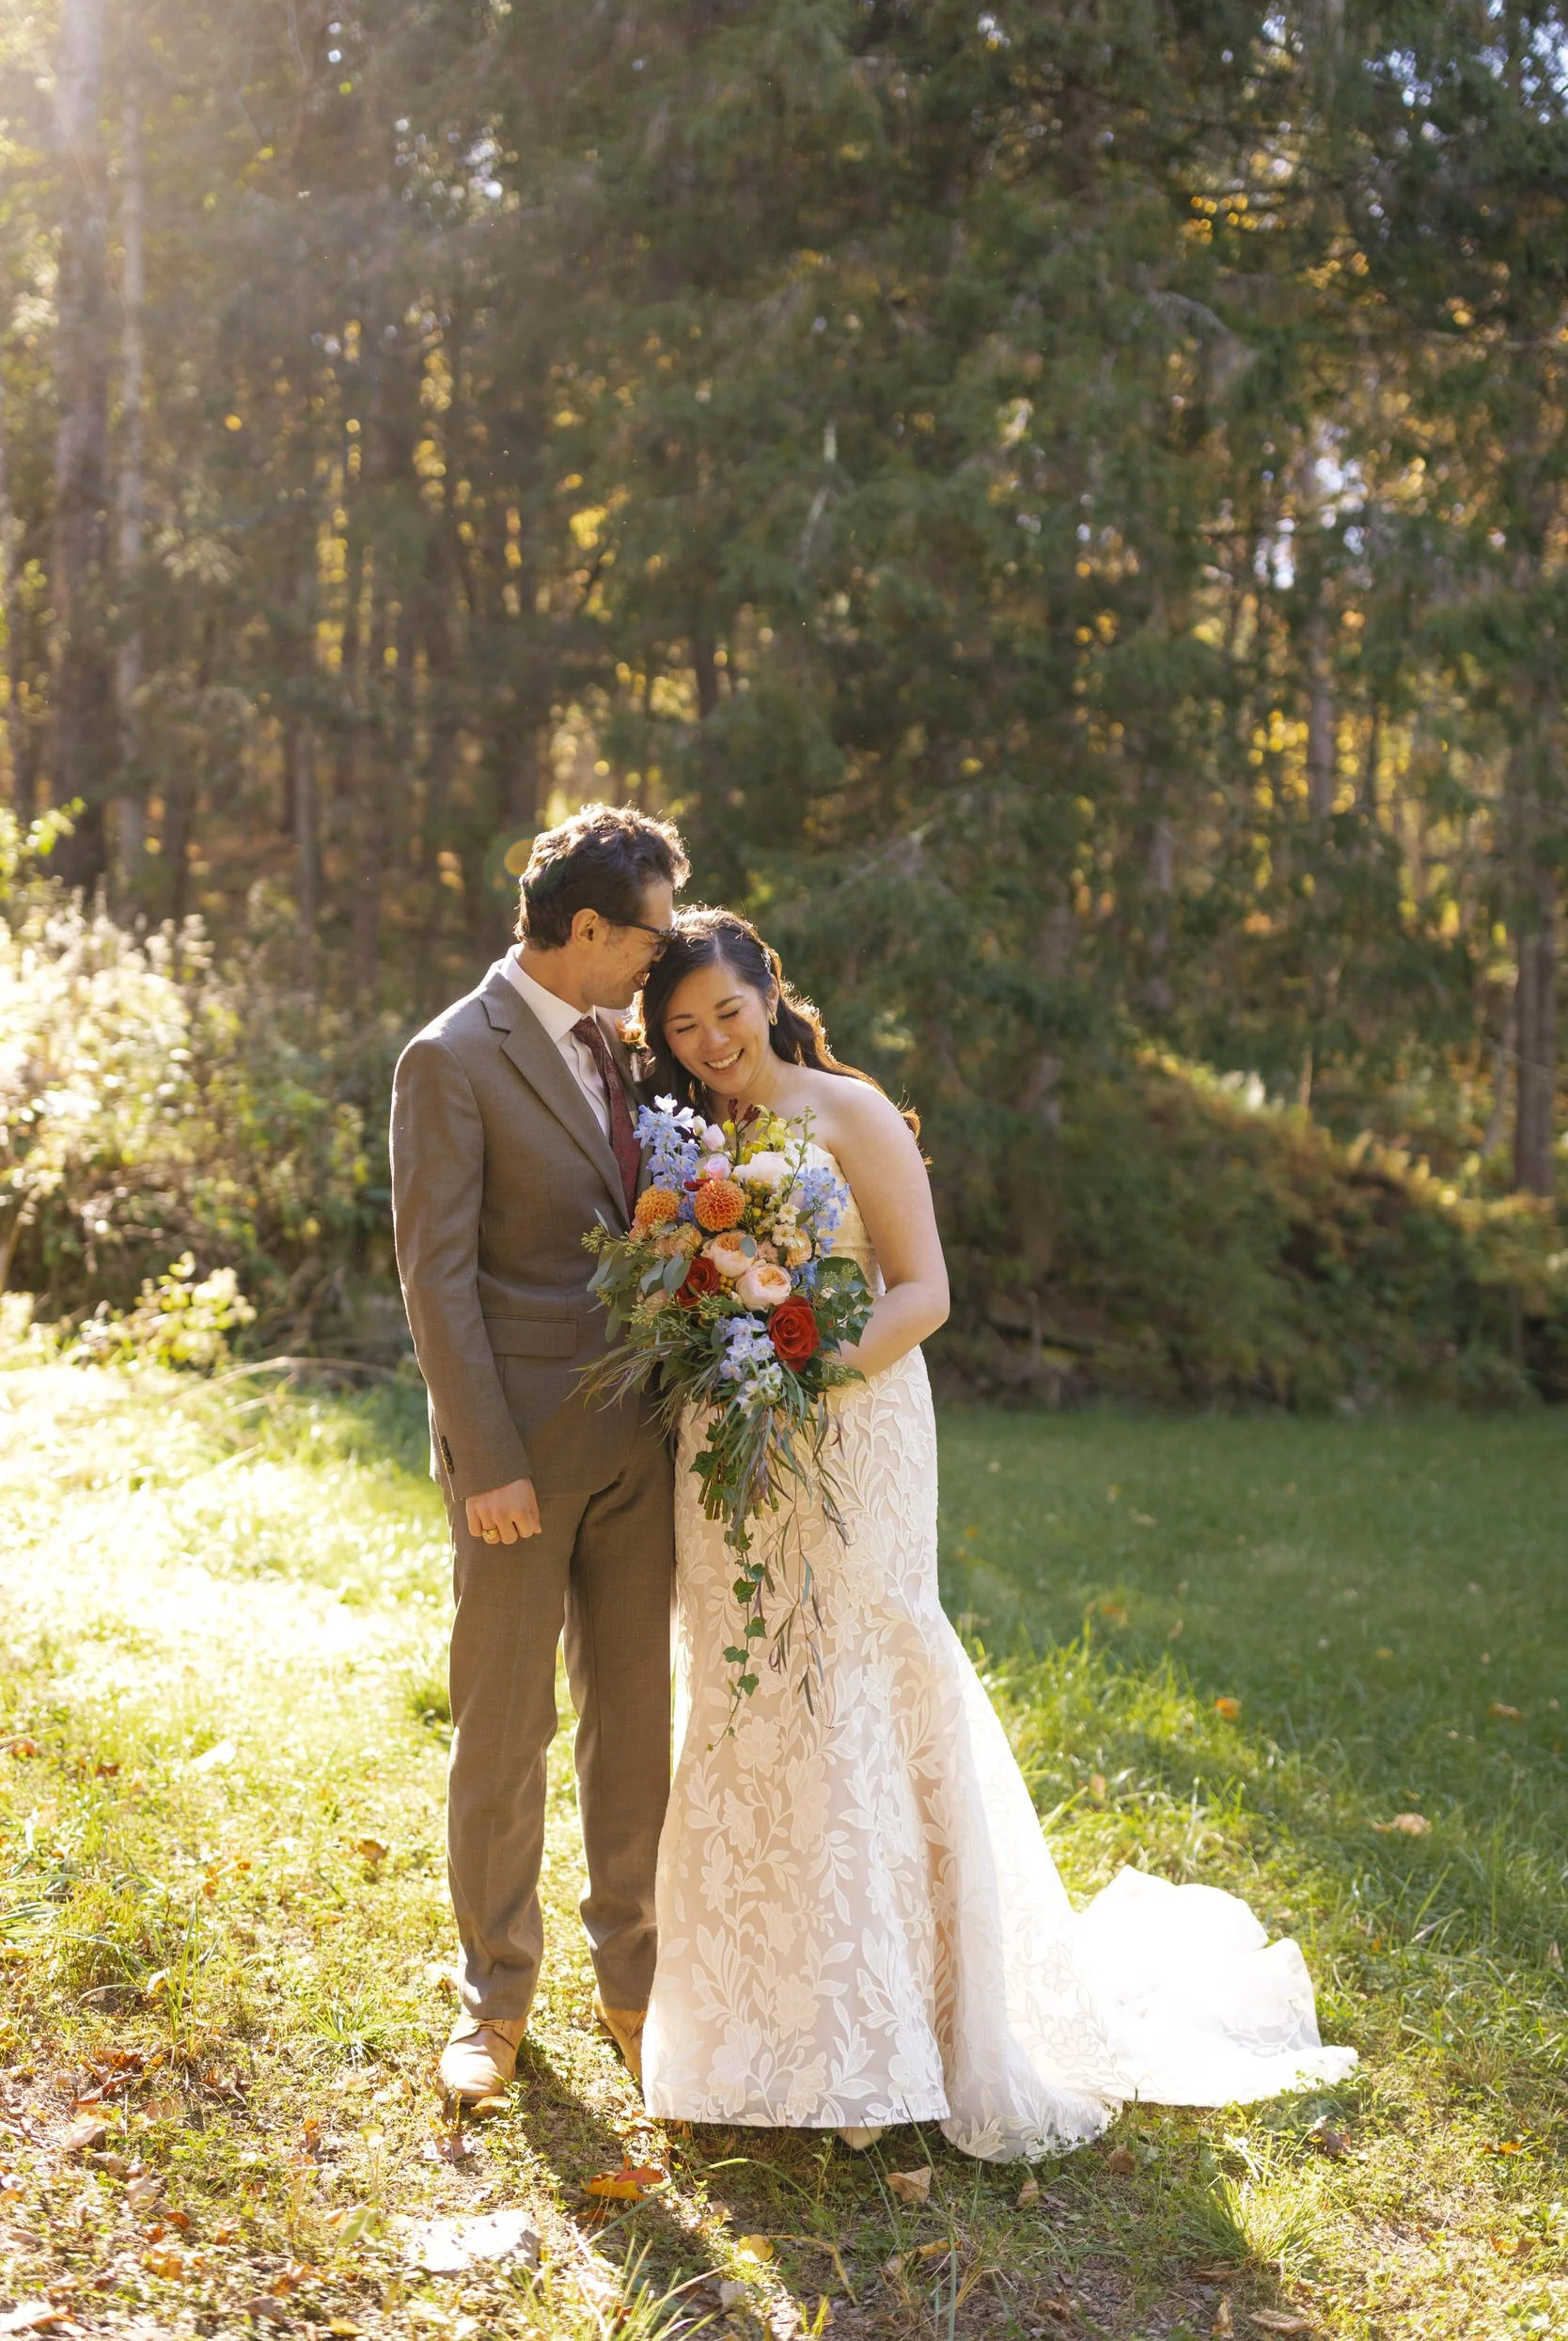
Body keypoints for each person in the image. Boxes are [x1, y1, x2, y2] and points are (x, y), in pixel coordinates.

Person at [635, 907, 1356, 2160]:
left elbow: (924, 1290)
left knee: (854, 1682)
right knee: (751, 1693)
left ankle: (887, 2043)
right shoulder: (704, 1146)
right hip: (735, 1453)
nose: (707, 1043)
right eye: (682, 1029)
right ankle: (758, 2035)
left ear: (769, 995)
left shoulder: (849, 1111)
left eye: (725, 1016)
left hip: (851, 1433)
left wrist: (810, 1373)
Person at [389, 804, 686, 2105]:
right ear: (582, 928)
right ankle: (492, 1997)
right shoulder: (450, 1058)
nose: (660, 962)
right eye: (649, 936)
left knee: (636, 1724)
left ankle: (637, 1982)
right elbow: (434, 1281)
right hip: (516, 1460)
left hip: (643, 1450)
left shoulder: (627, 1046)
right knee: (505, 1730)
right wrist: (488, 1455)